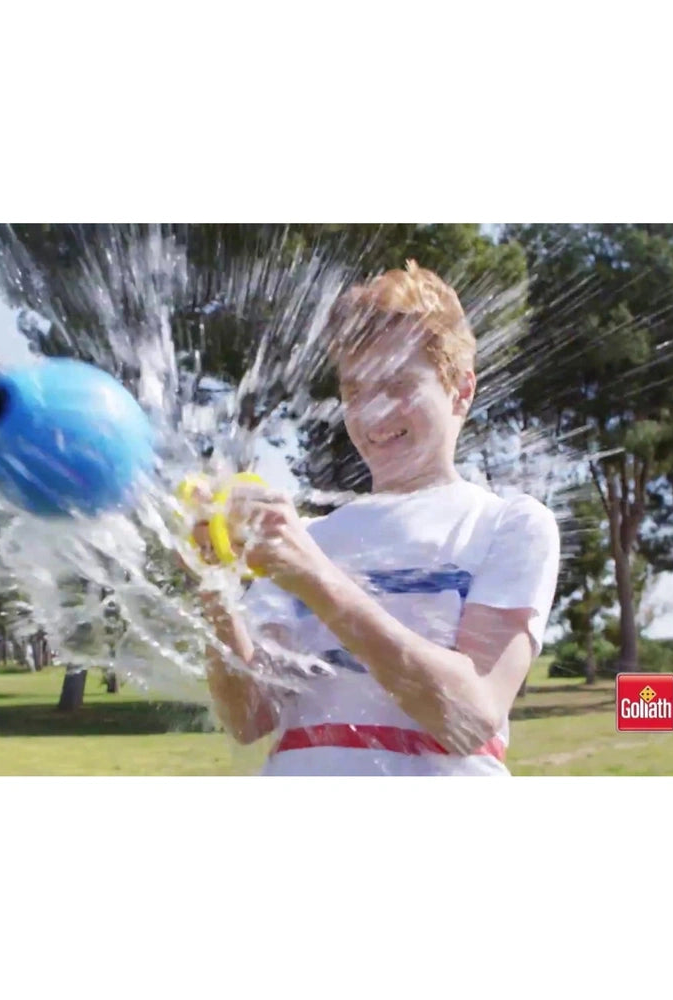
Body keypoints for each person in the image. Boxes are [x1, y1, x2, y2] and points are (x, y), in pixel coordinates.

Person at [192, 261, 561, 776]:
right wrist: (217, 586)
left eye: (399, 384)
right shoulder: (309, 536)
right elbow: (250, 718)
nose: (372, 414)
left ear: (461, 390)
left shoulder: (507, 525)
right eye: (355, 392)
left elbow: (468, 716)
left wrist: (315, 578)